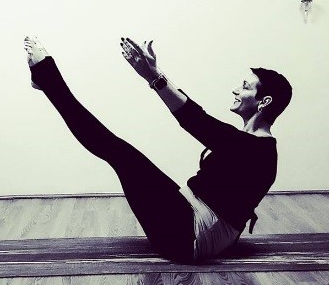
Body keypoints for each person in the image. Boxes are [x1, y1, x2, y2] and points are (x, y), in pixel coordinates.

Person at [23, 35, 292, 263]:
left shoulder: (257, 150)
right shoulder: (246, 142)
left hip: (188, 237)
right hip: (188, 214)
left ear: (264, 102)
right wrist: (153, 76)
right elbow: (198, 118)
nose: (235, 90)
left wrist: (154, 76)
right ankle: (46, 81)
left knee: (119, 152)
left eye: (245, 87)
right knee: (120, 153)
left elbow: (194, 119)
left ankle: (47, 78)